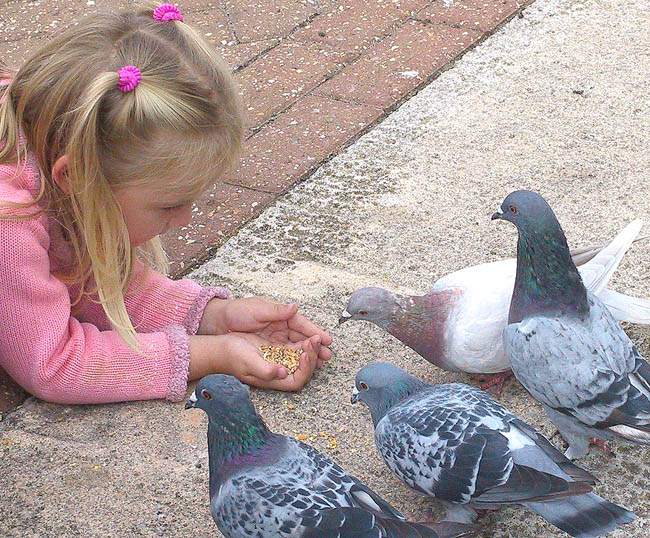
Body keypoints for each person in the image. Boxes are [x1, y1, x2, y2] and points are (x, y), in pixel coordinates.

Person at [0, 2, 332, 405]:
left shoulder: (59, 133)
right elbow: (55, 365)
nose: (186, 218)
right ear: (75, 178)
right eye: (168, 204)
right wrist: (210, 355)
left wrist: (211, 317)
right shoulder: (9, 221)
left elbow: (82, 277)